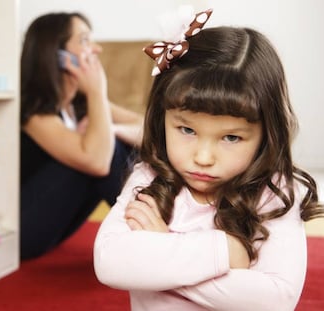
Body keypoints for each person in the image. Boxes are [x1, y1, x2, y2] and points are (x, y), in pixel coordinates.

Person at [94, 8, 324, 311]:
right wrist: (224, 252)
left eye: (231, 138)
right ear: (162, 119)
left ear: (267, 133)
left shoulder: (275, 193)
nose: (203, 157)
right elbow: (110, 263)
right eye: (187, 129)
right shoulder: (150, 178)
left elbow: (275, 299)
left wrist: (161, 249)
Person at [20, 12, 143, 260]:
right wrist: (97, 89)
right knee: (105, 151)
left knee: (119, 145)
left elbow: (148, 128)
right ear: (56, 54)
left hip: (57, 230)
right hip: (25, 234)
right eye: (85, 40)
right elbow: (97, 162)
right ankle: (146, 239)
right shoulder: (33, 112)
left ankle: (151, 230)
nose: (96, 49)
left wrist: (114, 129)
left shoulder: (78, 104)